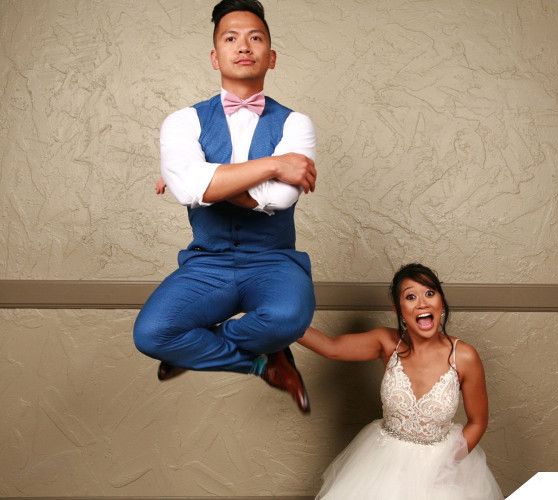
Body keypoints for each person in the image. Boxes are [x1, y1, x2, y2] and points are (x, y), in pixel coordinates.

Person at [133, 0, 317, 413]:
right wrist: (273, 164)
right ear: (216, 56)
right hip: (207, 263)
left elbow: (279, 198)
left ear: (271, 57)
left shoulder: (296, 123)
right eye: (230, 38)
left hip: (272, 261)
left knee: (290, 318)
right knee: (152, 334)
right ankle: (263, 362)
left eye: (255, 38)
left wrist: (201, 178)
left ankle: (209, 346)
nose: (243, 46)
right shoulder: (182, 121)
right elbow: (193, 189)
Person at [298, 263, 503, 498]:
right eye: (411, 297)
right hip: (383, 465)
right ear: (399, 309)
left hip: (439, 471)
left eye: (429, 293)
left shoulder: (464, 356)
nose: (422, 303)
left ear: (441, 302)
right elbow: (331, 348)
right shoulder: (387, 342)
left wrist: (446, 464)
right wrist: (278, 322)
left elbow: (478, 421)